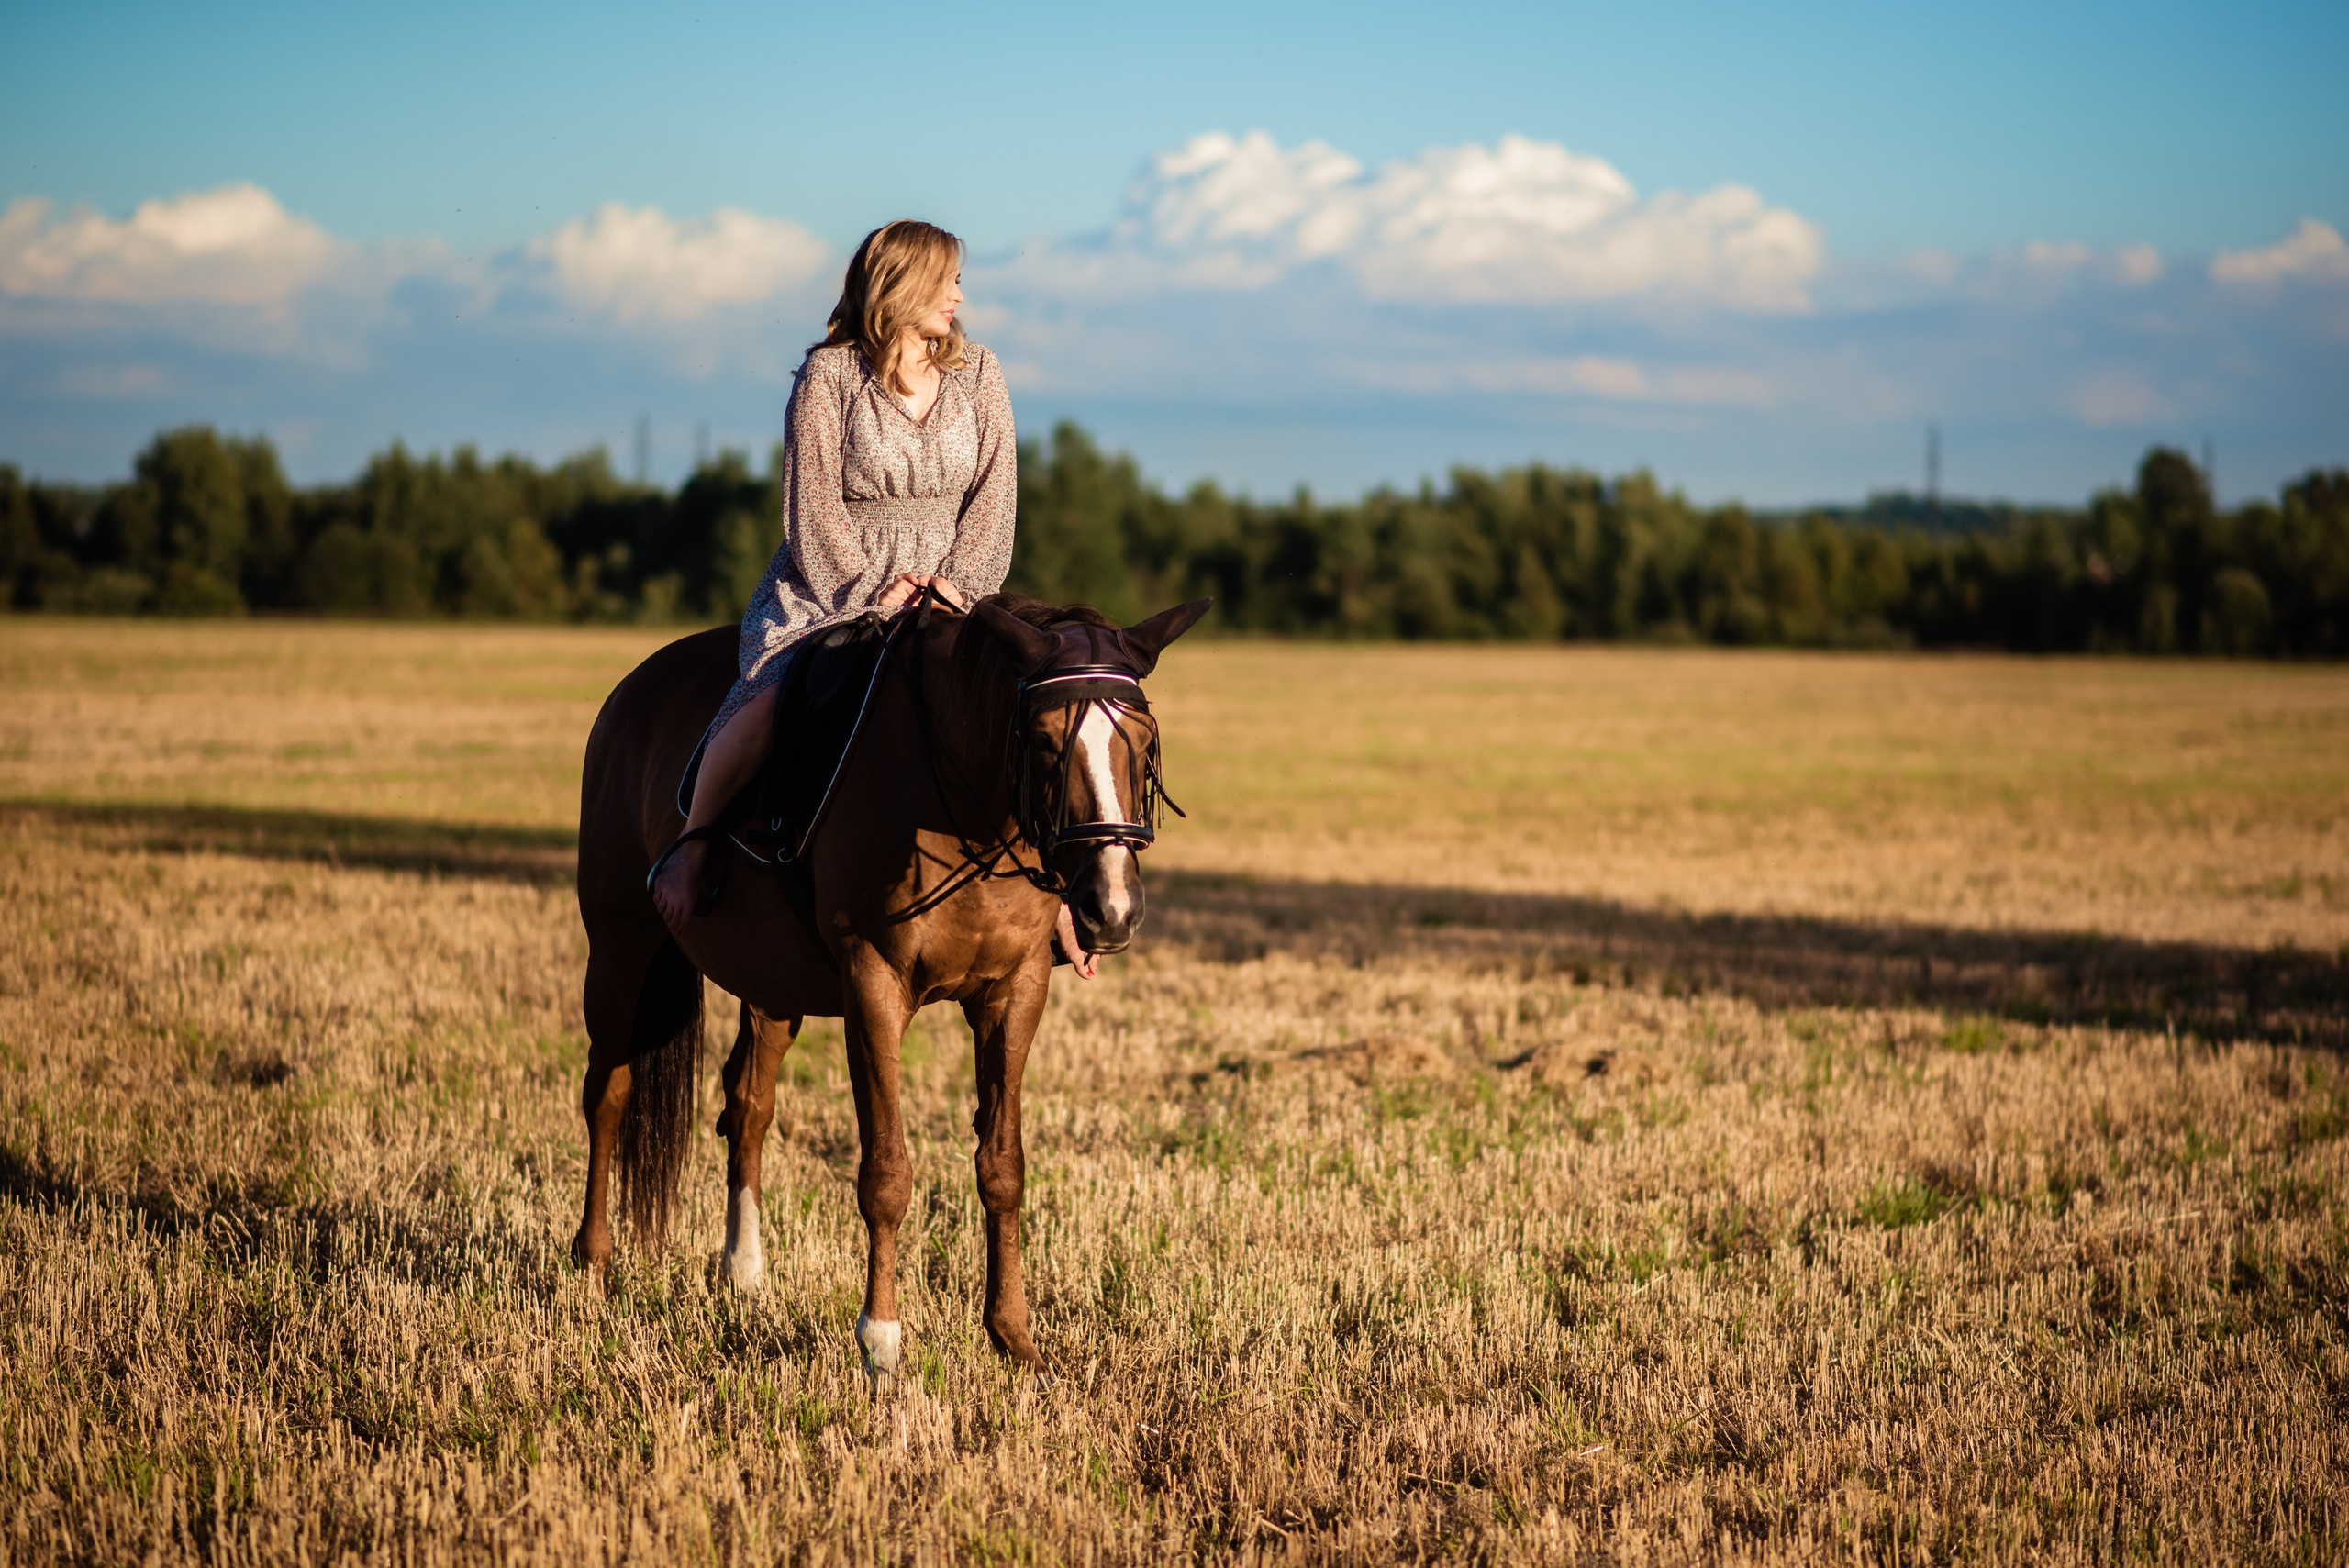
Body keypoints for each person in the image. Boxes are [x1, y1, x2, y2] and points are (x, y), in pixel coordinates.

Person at [648, 218, 1098, 974]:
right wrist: (869, 590)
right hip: (834, 589)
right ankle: (692, 846)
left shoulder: (982, 373)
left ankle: (1049, 892)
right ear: (903, 285)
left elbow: (995, 499)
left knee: (1017, 718)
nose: (960, 294)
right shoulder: (828, 379)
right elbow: (811, 506)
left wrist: (959, 584)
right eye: (948, 279)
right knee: (768, 702)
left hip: (955, 591)